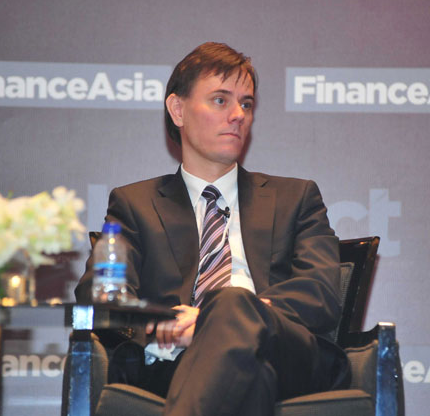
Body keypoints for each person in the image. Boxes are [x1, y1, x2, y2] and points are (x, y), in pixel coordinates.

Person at [75, 42, 350, 416]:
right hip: (174, 363)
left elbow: (320, 291)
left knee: (232, 300)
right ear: (178, 110)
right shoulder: (134, 204)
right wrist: (163, 325)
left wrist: (219, 317)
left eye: (246, 104)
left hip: (288, 355)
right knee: (252, 378)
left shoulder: (296, 197)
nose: (238, 115)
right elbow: (100, 295)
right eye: (221, 100)